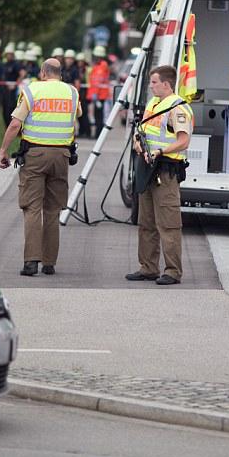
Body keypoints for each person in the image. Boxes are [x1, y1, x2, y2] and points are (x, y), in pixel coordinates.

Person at [0, 58, 81, 277]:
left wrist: (3, 151)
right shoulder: (72, 92)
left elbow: (16, 123)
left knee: (32, 208)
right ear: (60, 74)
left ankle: (31, 262)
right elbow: (77, 115)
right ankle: (49, 263)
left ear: (43, 73)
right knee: (52, 211)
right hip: (62, 156)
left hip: (34, 156)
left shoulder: (32, 90)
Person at [125, 65, 193, 286]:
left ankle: (173, 271)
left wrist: (161, 151)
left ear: (166, 83)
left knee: (169, 224)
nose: (151, 86)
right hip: (147, 168)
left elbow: (184, 140)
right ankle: (148, 268)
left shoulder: (179, 108)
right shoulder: (153, 104)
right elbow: (144, 131)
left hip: (165, 170)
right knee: (146, 222)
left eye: (154, 82)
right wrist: (137, 142)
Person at [87, 45, 112, 138]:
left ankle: (98, 134)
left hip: (100, 95)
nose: (96, 57)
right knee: (97, 115)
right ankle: (98, 133)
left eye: (97, 56)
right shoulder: (97, 65)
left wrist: (95, 94)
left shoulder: (102, 66)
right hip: (97, 94)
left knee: (99, 116)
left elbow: (99, 80)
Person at [1, 45, 21, 127]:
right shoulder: (5, 64)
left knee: (11, 109)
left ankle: (13, 127)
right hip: (5, 90)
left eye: (10, 54)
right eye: (7, 54)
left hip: (13, 92)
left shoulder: (16, 64)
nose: (8, 56)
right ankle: (7, 127)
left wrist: (15, 84)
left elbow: (22, 74)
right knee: (5, 109)